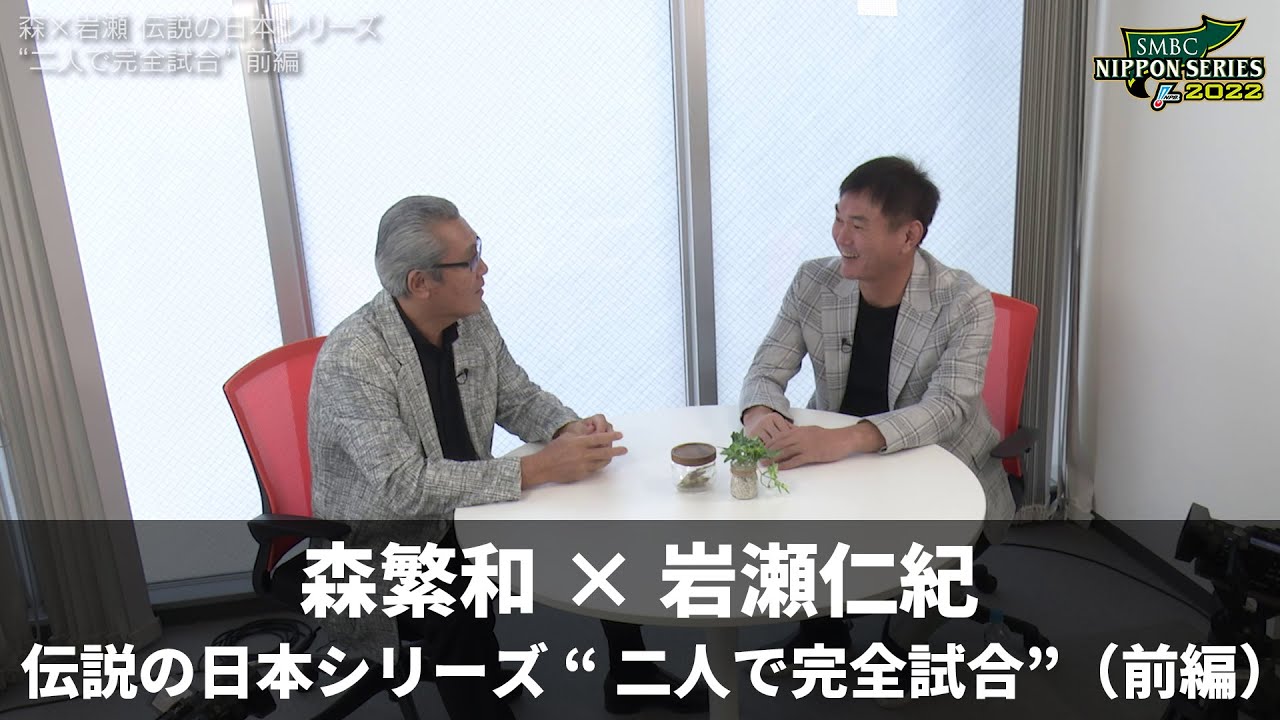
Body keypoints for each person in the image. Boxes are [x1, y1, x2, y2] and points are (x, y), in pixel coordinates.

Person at [308, 196, 706, 718]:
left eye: (478, 250)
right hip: (387, 540)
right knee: (453, 604)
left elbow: (516, 396)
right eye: (469, 259)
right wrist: (540, 467)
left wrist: (567, 429)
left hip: (470, 505)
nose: (484, 269)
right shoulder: (354, 357)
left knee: (597, 524)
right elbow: (402, 487)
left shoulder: (470, 317)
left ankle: (631, 675)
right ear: (420, 282)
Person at [739, 156, 1015, 666]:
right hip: (841, 466)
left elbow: (949, 407)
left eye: (858, 225)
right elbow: (765, 369)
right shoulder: (815, 282)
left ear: (909, 235)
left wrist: (845, 439)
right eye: (838, 218)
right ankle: (822, 635)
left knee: (920, 578)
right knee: (794, 529)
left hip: (944, 469)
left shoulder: (963, 301)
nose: (840, 236)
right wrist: (758, 413)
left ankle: (902, 648)